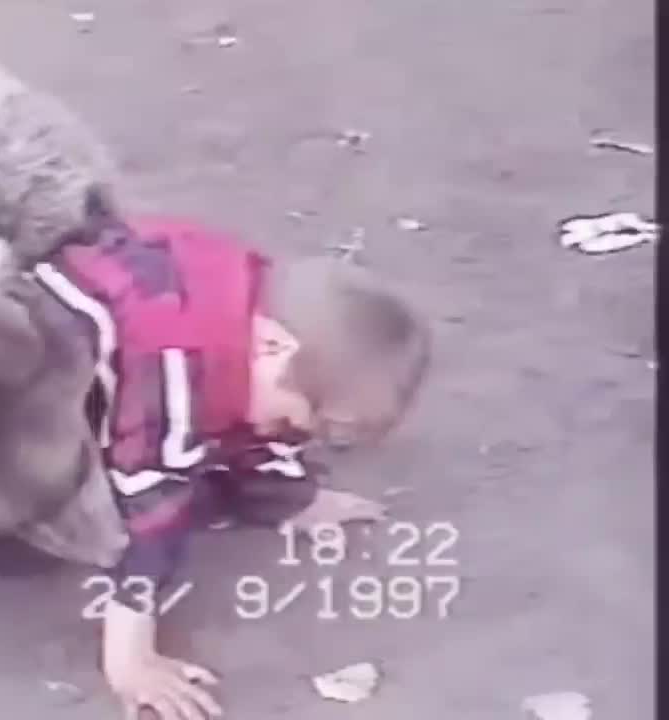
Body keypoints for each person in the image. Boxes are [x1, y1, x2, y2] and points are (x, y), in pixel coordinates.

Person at [29, 215, 431, 720]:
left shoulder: (256, 307)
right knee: (123, 504)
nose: (302, 438)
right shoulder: (176, 359)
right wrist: (132, 655)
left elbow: (251, 418)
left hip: (108, 356)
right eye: (303, 421)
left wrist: (293, 498)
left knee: (238, 416)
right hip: (6, 409)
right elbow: (149, 495)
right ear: (273, 346)